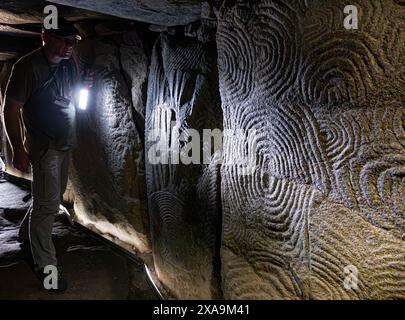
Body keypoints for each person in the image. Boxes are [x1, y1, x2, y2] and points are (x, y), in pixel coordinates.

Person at [2, 18, 90, 292]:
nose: (68, 47)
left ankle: (25, 235)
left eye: (72, 42)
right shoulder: (27, 67)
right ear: (44, 37)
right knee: (47, 205)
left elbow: (75, 97)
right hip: (44, 147)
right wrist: (18, 149)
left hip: (65, 144)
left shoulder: (67, 65)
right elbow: (11, 109)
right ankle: (46, 267)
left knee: (48, 199)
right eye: (63, 41)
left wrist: (85, 85)